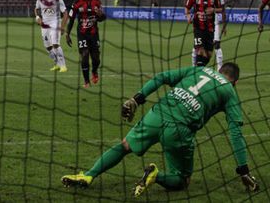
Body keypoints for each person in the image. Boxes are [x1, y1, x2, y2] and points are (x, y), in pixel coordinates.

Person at [61, 63, 259, 197]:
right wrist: (243, 169)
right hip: (180, 130)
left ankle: (88, 175)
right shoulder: (230, 91)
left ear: (218, 69)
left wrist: (137, 99)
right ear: (235, 82)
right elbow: (235, 132)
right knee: (182, 180)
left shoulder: (198, 70)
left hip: (159, 114)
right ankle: (155, 174)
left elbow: (162, 77)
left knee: (125, 145)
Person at [65, 0, 106, 88]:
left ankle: (94, 71)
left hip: (94, 34)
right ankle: (87, 81)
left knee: (96, 59)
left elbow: (102, 18)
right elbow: (72, 20)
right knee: (84, 55)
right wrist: (67, 34)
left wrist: (101, 15)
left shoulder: (96, 2)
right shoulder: (77, 3)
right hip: (82, 34)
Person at [185, 0, 222, 67]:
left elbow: (221, 9)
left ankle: (198, 69)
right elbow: (187, 8)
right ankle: (195, 71)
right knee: (200, 50)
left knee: (208, 54)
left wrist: (213, 10)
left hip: (210, 29)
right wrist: (188, 16)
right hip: (198, 28)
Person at [35, 0, 68, 72]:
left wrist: (63, 27)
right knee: (48, 47)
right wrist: (38, 17)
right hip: (44, 25)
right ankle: (57, 64)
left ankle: (63, 66)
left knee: (55, 44)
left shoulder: (58, 0)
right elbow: (37, 9)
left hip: (55, 24)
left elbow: (65, 13)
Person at [212, 0, 227, 71]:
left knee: (217, 45)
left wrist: (224, 26)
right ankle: (196, 67)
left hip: (214, 23)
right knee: (199, 46)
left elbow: (223, 10)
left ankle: (220, 69)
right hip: (202, 25)